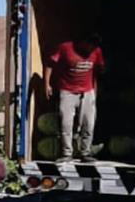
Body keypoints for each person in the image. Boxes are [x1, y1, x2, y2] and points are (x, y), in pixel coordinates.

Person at [44, 32, 105, 163]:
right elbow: (50, 64)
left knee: (88, 123)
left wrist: (95, 92)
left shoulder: (96, 51)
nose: (91, 50)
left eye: (94, 48)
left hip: (87, 92)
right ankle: (67, 153)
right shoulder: (65, 48)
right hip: (67, 91)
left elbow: (97, 71)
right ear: (83, 42)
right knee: (66, 124)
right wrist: (47, 84)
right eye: (90, 46)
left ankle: (85, 152)